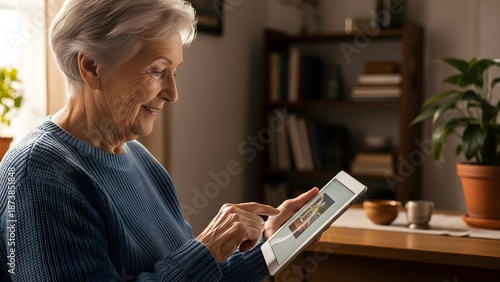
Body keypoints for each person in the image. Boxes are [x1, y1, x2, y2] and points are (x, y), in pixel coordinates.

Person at [0, 0, 320, 280]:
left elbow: (198, 277)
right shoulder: (37, 173)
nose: (172, 93)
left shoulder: (140, 158)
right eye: (157, 71)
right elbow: (193, 267)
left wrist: (272, 243)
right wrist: (205, 249)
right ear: (91, 67)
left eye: (174, 73)